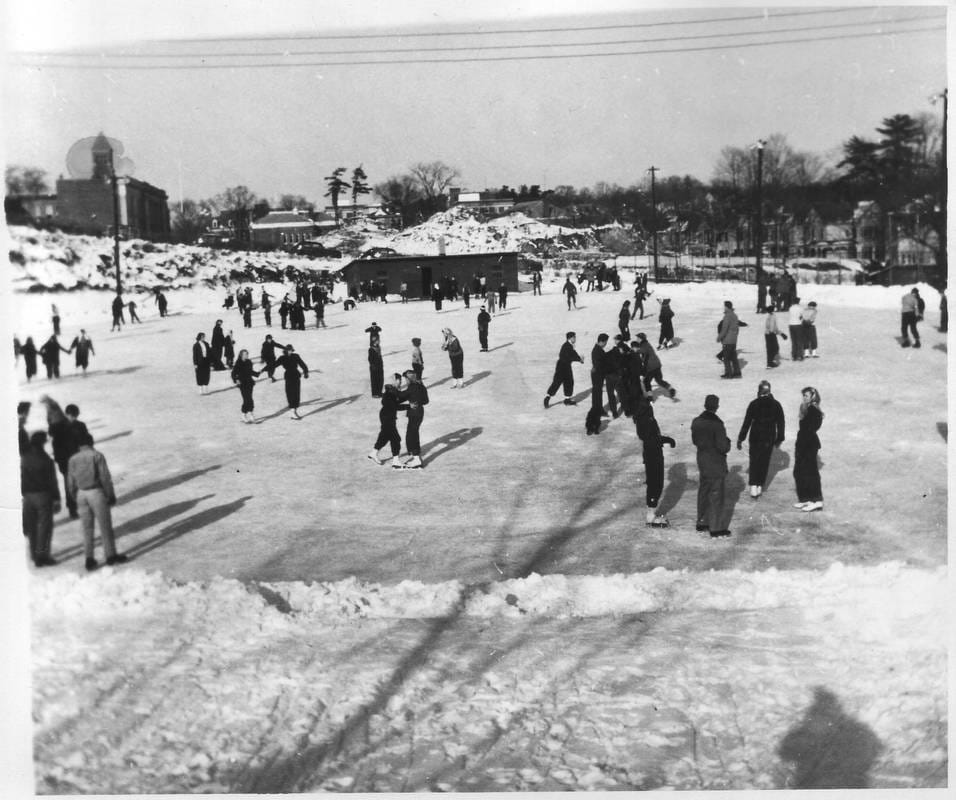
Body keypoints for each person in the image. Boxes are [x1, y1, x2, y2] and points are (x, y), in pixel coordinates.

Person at [67, 432, 126, 571]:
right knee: (105, 525)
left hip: (81, 493)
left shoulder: (73, 459)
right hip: (96, 492)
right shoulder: (97, 455)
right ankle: (110, 555)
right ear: (91, 442)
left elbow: (70, 481)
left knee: (87, 527)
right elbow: (105, 477)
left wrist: (74, 495)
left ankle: (89, 558)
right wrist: (110, 494)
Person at [736, 380, 786, 498]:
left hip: (756, 435)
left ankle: (754, 485)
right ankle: (759, 485)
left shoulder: (754, 403)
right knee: (764, 460)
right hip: (769, 436)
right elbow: (781, 423)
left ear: (759, 391)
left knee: (754, 460)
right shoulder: (776, 404)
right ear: (769, 391)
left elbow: (747, 422)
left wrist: (740, 438)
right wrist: (780, 438)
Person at [691, 394, 732, 537]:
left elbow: (695, 441)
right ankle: (716, 527)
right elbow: (722, 447)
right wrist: (728, 442)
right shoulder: (717, 424)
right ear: (716, 407)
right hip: (716, 463)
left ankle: (702, 521)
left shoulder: (696, 422)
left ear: (705, 405)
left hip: (702, 461)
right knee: (716, 494)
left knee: (704, 491)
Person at [634, 392, 676, 527]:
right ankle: (650, 516)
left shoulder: (647, 418)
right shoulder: (645, 420)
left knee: (656, 483)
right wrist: (666, 439)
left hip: (654, 453)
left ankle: (651, 513)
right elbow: (651, 439)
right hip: (652, 454)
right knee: (655, 484)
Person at [21, 431, 61, 567]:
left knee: (32, 527)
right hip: (43, 496)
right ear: (43, 443)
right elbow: (52, 481)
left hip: (27, 497)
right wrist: (56, 499)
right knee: (44, 527)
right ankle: (41, 555)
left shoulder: (24, 458)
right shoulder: (46, 460)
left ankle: (33, 554)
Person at [368, 373, 410, 467]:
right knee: (395, 438)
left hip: (387, 416)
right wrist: (409, 406)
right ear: (395, 381)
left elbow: (397, 401)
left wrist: (408, 396)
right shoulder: (390, 392)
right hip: (387, 417)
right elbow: (395, 406)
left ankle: (373, 453)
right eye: (399, 380)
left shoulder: (392, 391)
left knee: (384, 436)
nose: (400, 382)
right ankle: (395, 461)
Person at [793, 386, 824, 512]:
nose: (804, 398)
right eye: (803, 395)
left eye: (806, 396)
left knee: (810, 473)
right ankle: (806, 498)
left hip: (809, 445)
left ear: (813, 397)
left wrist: (803, 443)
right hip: (803, 444)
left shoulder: (814, 411)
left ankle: (817, 500)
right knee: (799, 472)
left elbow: (811, 429)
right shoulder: (806, 408)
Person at [397, 369, 429, 469]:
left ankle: (416, 459)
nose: (405, 381)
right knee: (413, 432)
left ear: (408, 379)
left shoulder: (412, 387)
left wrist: (395, 388)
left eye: (405, 378)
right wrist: (415, 402)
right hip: (420, 412)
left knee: (412, 434)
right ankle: (415, 456)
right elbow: (426, 401)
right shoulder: (421, 386)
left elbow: (401, 396)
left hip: (414, 413)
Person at [544, 332, 583, 407]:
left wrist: (579, 359)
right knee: (557, 382)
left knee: (569, 382)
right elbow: (566, 357)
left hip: (566, 366)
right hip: (561, 367)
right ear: (570, 338)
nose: (575, 339)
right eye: (574, 337)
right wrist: (578, 359)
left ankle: (567, 399)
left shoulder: (570, 345)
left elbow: (573, 353)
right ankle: (547, 398)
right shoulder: (566, 346)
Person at [634, 333, 676, 398]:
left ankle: (649, 397)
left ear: (640, 339)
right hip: (657, 365)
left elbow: (644, 351)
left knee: (646, 382)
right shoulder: (646, 344)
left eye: (637, 338)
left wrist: (636, 351)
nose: (636, 339)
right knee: (659, 380)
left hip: (651, 367)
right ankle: (670, 388)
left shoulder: (644, 345)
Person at [275, 344, 310, 418]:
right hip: (288, 376)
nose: (290, 351)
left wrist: (306, 372)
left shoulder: (296, 356)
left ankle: (294, 409)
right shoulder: (282, 358)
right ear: (285, 350)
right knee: (290, 392)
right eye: (288, 350)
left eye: (291, 350)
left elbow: (302, 364)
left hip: (296, 375)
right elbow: (274, 365)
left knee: (296, 392)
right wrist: (263, 370)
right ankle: (292, 410)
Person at [231, 349, 261, 423]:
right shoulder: (238, 363)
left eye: (247, 354)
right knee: (247, 399)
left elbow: (250, 371)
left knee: (249, 398)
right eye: (245, 354)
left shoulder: (249, 362)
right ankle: (244, 415)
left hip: (249, 383)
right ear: (241, 355)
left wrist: (257, 373)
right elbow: (233, 373)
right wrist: (236, 380)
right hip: (242, 384)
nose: (246, 355)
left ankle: (249, 414)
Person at [717, 300, 742, 379]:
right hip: (733, 340)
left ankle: (728, 373)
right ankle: (737, 373)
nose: (723, 308)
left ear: (727, 307)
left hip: (727, 340)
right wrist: (735, 337)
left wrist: (719, 337)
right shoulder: (735, 315)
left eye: (724, 306)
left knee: (726, 358)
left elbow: (724, 329)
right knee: (734, 357)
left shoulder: (727, 316)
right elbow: (737, 329)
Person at [589, 334, 611, 418]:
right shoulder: (597, 350)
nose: (606, 344)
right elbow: (598, 364)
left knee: (597, 393)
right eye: (605, 342)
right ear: (602, 341)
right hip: (597, 374)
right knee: (597, 393)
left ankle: (598, 409)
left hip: (597, 374)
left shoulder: (599, 349)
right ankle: (598, 410)